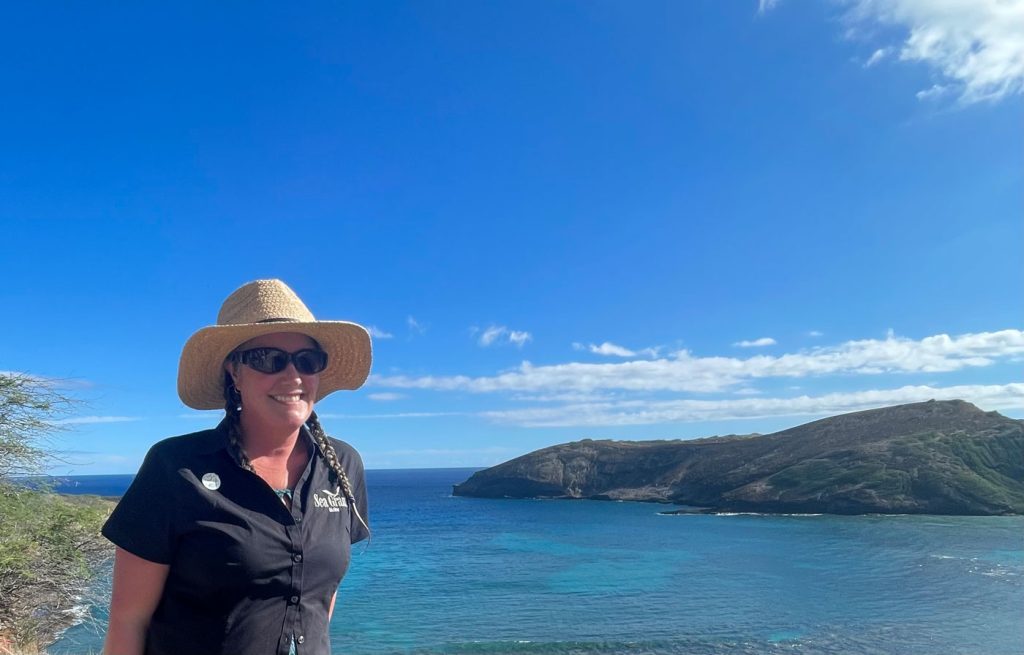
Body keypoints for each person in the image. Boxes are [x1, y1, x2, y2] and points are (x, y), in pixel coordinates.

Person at [102, 279, 372, 655]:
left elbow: (320, 596)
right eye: (269, 358)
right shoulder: (176, 467)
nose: (293, 375)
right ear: (234, 370)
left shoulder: (342, 464)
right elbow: (128, 621)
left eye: (308, 361)